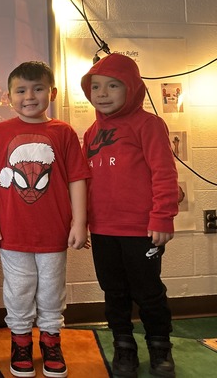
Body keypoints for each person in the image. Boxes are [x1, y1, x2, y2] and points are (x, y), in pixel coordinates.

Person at [0, 61, 90, 378]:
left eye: (38, 89)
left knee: (51, 290)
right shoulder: (1, 132)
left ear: (52, 93)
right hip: (12, 232)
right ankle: (20, 342)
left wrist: (79, 222)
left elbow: (77, 178)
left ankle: (50, 340)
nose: (29, 96)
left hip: (53, 232)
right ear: (8, 96)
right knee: (17, 290)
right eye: (21, 90)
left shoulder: (64, 132)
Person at [81, 53, 178, 378]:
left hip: (142, 231)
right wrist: (81, 223)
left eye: (113, 85)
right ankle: (124, 347)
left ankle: (160, 346)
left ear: (133, 89)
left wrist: (162, 218)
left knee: (148, 292)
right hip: (104, 230)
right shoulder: (91, 132)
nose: (103, 93)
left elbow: (164, 174)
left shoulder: (148, 125)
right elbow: (84, 183)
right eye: (96, 86)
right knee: (114, 292)